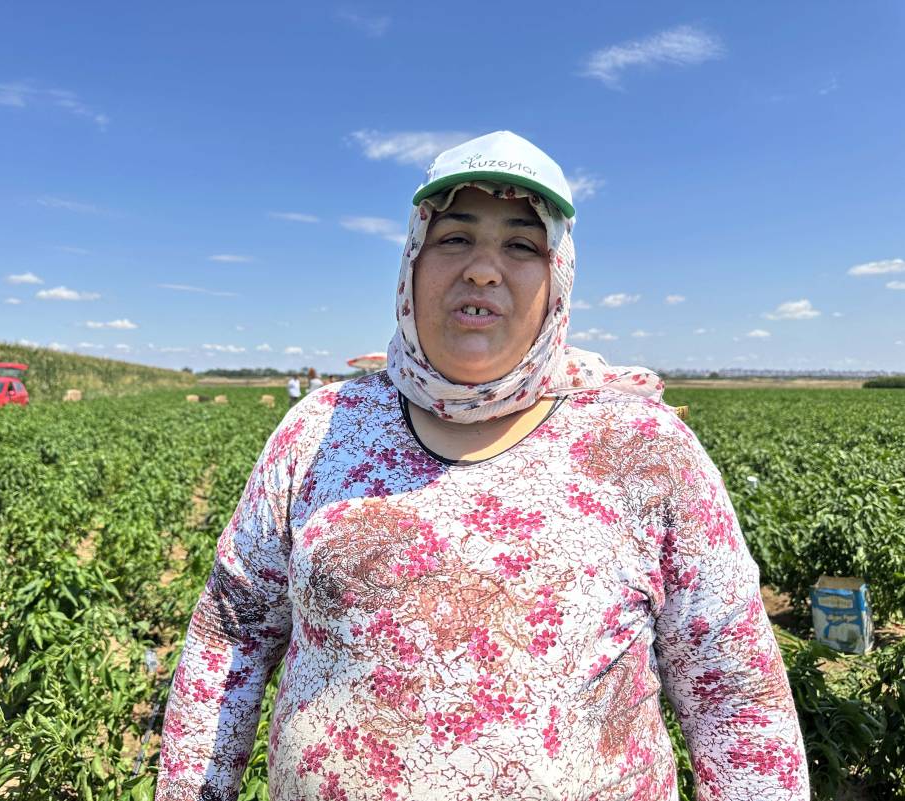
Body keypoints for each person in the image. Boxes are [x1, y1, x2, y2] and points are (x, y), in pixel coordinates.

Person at [157, 131, 808, 800]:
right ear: (413, 260)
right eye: (455, 238)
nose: (483, 269)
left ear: (558, 274)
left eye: (522, 245)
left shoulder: (644, 448)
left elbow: (736, 696)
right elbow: (228, 635)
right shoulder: (320, 430)